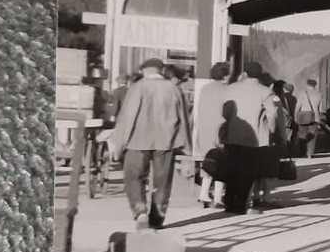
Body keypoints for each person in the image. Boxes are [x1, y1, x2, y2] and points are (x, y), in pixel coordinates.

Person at [110, 57, 191, 230]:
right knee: (162, 181)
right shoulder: (173, 88)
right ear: (161, 71)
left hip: (137, 140)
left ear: (144, 71)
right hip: (166, 140)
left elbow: (128, 117)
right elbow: (183, 117)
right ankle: (157, 217)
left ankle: (140, 211)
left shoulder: (138, 87)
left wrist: (119, 144)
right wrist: (187, 146)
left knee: (133, 176)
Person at [220, 61, 279, 213]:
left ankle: (228, 201)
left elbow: (225, 111)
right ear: (259, 75)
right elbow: (272, 114)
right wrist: (271, 130)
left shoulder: (231, 88)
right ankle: (241, 204)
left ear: (244, 73)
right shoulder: (265, 91)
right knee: (247, 173)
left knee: (232, 170)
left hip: (232, 136)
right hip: (254, 140)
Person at [193, 61, 232, 207]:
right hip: (221, 129)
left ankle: (203, 194)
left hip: (204, 129)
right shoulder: (227, 90)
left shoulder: (205, 89)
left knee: (208, 161)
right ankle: (217, 197)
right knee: (222, 162)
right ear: (225, 75)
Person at [296, 78, 322, 160]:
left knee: (302, 135)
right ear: (315, 85)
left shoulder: (302, 93)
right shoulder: (319, 94)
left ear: (307, 85)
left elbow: (298, 107)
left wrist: (296, 116)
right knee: (312, 136)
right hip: (314, 118)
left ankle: (302, 153)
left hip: (303, 117)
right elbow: (321, 109)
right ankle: (309, 154)